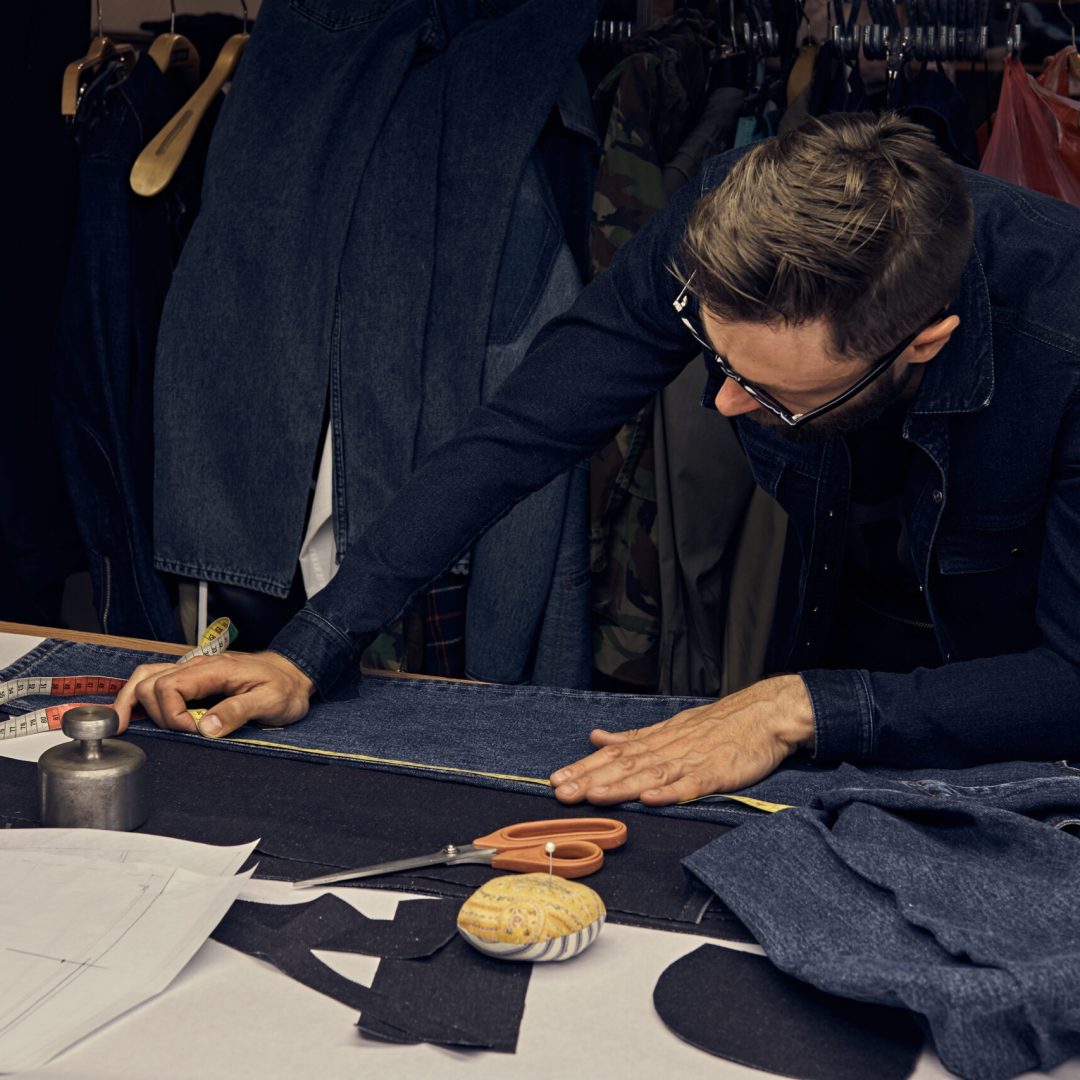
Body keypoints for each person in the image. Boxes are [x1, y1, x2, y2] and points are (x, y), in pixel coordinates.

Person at [114, 112, 1080, 807]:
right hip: (846, 649)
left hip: (1020, 710)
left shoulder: (1065, 336)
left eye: (774, 394)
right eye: (715, 359)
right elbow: (525, 427)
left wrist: (799, 707)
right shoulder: (731, 227)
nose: (727, 404)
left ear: (922, 342)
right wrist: (310, 648)